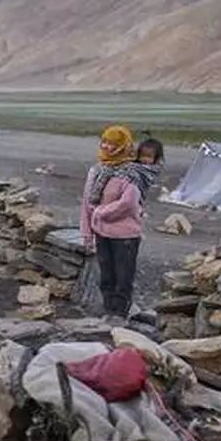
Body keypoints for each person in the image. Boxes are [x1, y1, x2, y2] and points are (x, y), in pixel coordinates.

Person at [80, 125, 161, 324]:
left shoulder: (133, 172)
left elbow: (129, 203)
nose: (108, 147)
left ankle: (120, 314)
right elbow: (87, 202)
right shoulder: (98, 170)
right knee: (106, 274)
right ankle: (109, 310)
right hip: (102, 232)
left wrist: (101, 212)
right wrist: (87, 232)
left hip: (125, 235)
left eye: (114, 144)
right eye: (105, 142)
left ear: (124, 146)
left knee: (123, 277)